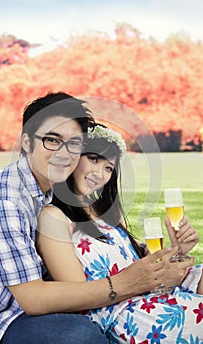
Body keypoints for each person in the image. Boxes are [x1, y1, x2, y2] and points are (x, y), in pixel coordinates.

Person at [37, 124, 203, 343]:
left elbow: (136, 262)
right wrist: (157, 282)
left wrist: (177, 250)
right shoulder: (54, 217)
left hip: (152, 294)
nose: (99, 174)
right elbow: (80, 297)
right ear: (74, 157)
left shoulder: (100, 210)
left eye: (108, 168)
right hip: (126, 312)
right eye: (94, 159)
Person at [0, 92, 110, 344]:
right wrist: (122, 284)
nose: (64, 154)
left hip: (17, 309)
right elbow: (34, 298)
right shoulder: (3, 202)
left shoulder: (47, 187)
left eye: (74, 144)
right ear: (26, 142)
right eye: (52, 140)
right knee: (80, 335)